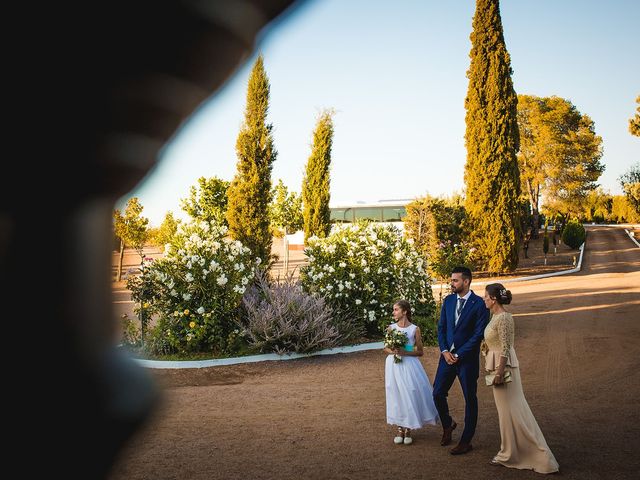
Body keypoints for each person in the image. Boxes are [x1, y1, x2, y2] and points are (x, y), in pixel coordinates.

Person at [483, 283, 559, 473]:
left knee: (514, 410)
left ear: (493, 299)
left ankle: (524, 454)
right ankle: (509, 451)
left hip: (504, 368)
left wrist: (499, 372)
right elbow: (495, 342)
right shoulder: (494, 317)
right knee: (506, 413)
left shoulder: (505, 318)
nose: (483, 299)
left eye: (485, 297)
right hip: (496, 366)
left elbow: (506, 347)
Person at [432, 266, 489, 454]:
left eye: (455, 280)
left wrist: (459, 354)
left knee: (470, 399)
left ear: (466, 281)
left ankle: (466, 440)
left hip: (467, 360)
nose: (452, 283)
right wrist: (445, 351)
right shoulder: (448, 301)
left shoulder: (479, 304)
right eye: (451, 280)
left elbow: (478, 334)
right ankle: (448, 425)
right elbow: (441, 329)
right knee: (437, 393)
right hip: (447, 358)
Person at [384, 300, 439, 445]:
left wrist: (405, 352)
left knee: (410, 392)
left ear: (405, 312)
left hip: (409, 365)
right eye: (393, 310)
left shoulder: (415, 329)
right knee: (396, 394)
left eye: (396, 310)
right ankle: (400, 428)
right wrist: (394, 351)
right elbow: (386, 348)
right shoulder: (391, 328)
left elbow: (420, 352)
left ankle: (408, 428)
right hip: (393, 365)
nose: (393, 312)